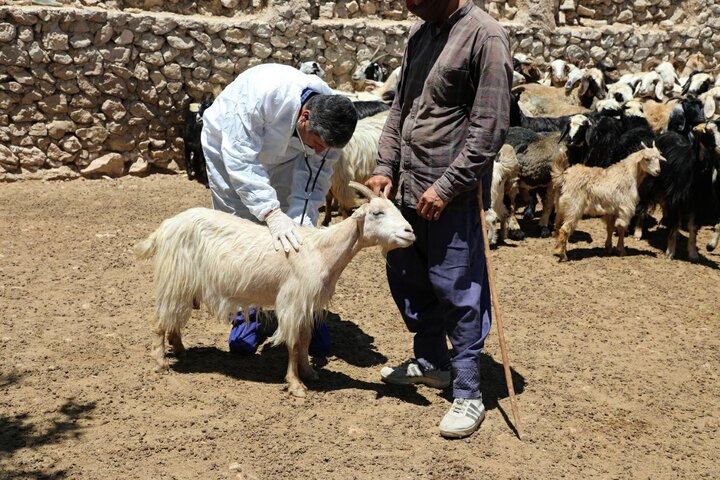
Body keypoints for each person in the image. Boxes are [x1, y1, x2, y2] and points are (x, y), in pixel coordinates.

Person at [365, 0, 513, 438]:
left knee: (457, 286)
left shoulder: (486, 37)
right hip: (408, 189)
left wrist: (447, 187)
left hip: (450, 196)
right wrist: (384, 165)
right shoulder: (420, 32)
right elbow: (400, 110)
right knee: (409, 278)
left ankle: (469, 392)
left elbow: (490, 126)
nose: (407, 4)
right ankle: (432, 363)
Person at [201, 63, 358, 356]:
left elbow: (312, 183)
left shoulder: (329, 127)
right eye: (318, 144)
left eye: (327, 148)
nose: (322, 151)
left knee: (293, 230)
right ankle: (248, 314)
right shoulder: (261, 95)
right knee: (240, 228)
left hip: (288, 156)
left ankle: (303, 308)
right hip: (227, 147)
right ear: (304, 117)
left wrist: (302, 232)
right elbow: (241, 159)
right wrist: (271, 214)